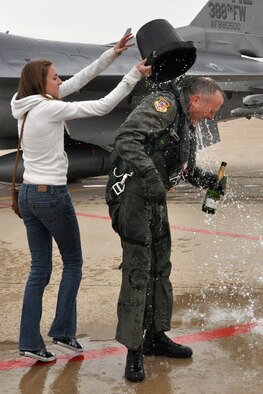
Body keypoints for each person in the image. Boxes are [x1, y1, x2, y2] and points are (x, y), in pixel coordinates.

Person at [11, 32, 152, 363]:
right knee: (73, 262)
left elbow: (80, 80)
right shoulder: (49, 110)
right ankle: (62, 333)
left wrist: (112, 55)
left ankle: (30, 341)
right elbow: (102, 106)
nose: (62, 81)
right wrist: (134, 74)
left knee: (39, 270)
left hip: (29, 195)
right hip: (51, 195)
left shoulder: (23, 105)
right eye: (55, 77)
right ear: (42, 84)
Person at [106, 77, 226, 382]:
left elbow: (184, 169)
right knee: (138, 271)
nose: (213, 117)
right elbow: (126, 138)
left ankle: (155, 337)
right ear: (197, 100)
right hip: (134, 197)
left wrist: (209, 181)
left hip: (154, 198)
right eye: (212, 110)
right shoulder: (165, 105)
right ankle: (134, 352)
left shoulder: (187, 121)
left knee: (161, 268)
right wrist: (149, 176)